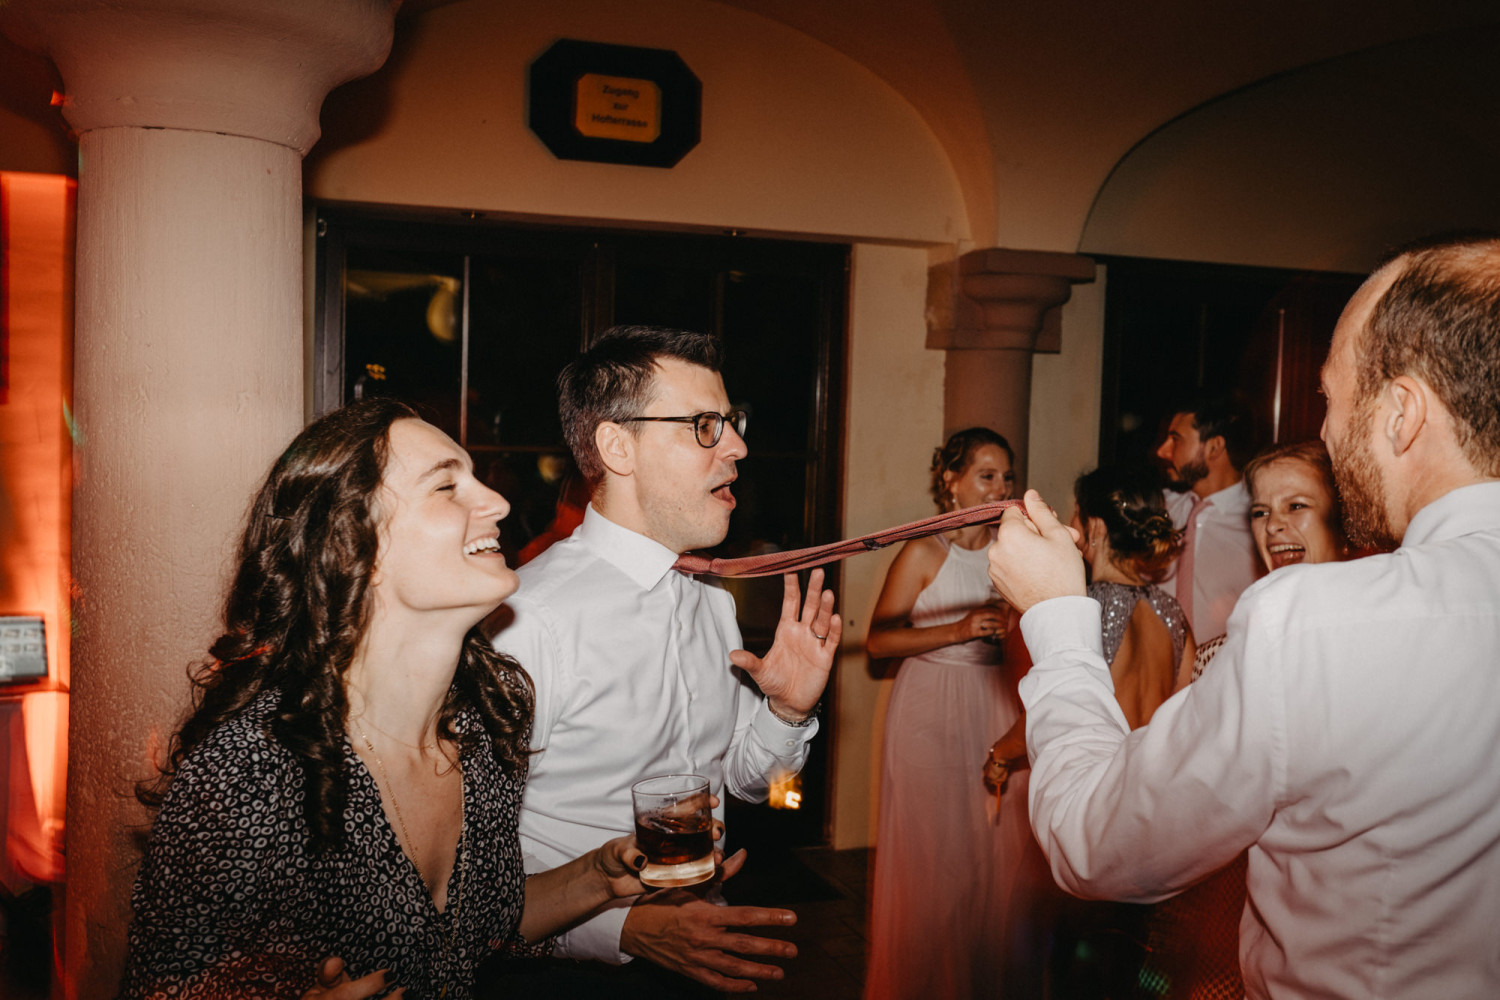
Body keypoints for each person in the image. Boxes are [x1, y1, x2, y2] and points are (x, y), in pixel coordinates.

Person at [988, 233, 1500, 998]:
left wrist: (1059, 616)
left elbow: (1095, 842)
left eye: (1332, 397)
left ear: (1401, 412)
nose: (1325, 431)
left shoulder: (1320, 626)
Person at [117, 398, 654, 999]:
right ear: (354, 549)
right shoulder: (256, 768)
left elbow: (471, 930)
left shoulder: (489, 722)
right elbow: (161, 987)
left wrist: (599, 878)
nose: (498, 503)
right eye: (447, 486)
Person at [485, 325, 840, 995]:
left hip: (707, 946)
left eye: (732, 422)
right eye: (705, 425)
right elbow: (461, 860)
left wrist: (788, 713)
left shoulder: (711, 602)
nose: (737, 446)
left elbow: (749, 782)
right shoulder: (529, 621)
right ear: (618, 446)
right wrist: (618, 929)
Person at [1144, 438, 1351, 1000]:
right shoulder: (1226, 652)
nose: (1274, 526)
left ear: (1344, 516)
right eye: (1261, 511)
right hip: (1248, 908)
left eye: (1296, 507)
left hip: (1356, 933)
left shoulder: (1373, 640)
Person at [862, 427, 1028, 999]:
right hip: (930, 710)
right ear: (951, 483)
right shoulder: (924, 551)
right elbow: (878, 642)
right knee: (935, 863)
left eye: (1008, 476)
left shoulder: (1014, 556)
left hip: (994, 702)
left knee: (991, 858)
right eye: (987, 475)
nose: (1000, 487)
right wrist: (956, 630)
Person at [1155, 396, 1262, 642]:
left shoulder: (1258, 523)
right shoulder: (1161, 509)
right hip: (1158, 673)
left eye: (1175, 440)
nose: (1163, 451)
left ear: (1214, 447)